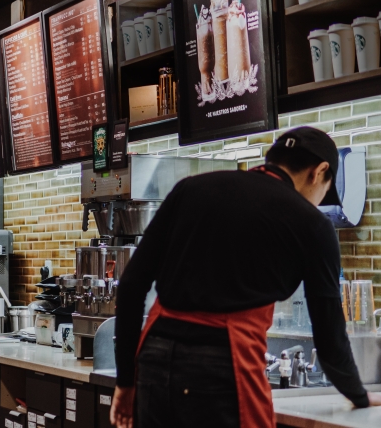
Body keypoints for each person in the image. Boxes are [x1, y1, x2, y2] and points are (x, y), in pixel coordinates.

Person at [110, 127, 381, 428]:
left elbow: (132, 285)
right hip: (221, 364)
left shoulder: (190, 188)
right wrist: (358, 395)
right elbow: (329, 336)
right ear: (319, 172)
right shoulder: (313, 224)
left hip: (154, 359)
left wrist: (126, 380)